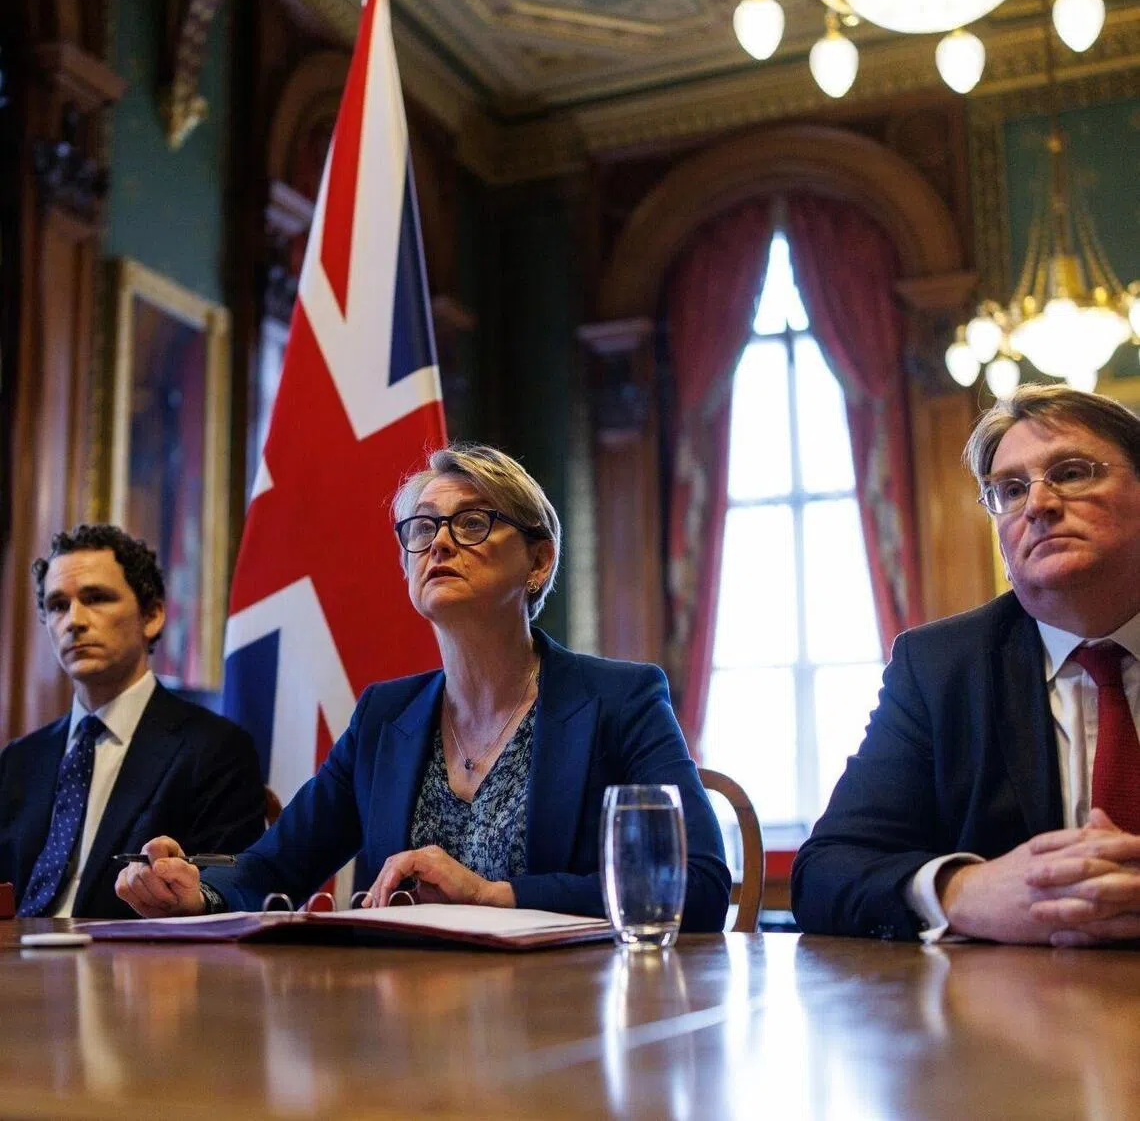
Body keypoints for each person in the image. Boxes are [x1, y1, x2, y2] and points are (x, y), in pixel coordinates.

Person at [116, 444, 731, 928]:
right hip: (404, 1032)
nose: (437, 542)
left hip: (569, 1026)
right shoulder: (385, 716)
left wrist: (496, 895)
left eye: (470, 522)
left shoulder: (620, 702)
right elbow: (273, 866)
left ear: (539, 561)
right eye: (420, 528)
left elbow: (695, 885)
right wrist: (195, 890)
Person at [792, 384, 1140, 947]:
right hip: (1012, 1015)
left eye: (1073, 473)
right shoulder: (941, 668)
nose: (1039, 505)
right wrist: (961, 891)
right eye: (1009, 489)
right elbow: (827, 872)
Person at [0, 524, 265, 918]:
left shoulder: (215, 749)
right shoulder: (20, 760)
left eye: (96, 598)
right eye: (58, 605)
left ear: (153, 615)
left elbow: (226, 897)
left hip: (133, 971)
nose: (74, 620)